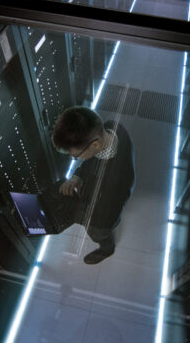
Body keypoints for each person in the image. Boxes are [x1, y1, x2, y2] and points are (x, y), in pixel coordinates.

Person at [52, 106, 135, 264]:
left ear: (95, 145)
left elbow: (103, 216)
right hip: (105, 196)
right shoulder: (112, 127)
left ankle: (107, 250)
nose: (73, 157)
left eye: (75, 156)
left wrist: (71, 213)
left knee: (98, 234)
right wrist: (77, 176)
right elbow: (91, 160)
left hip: (103, 218)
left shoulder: (114, 183)